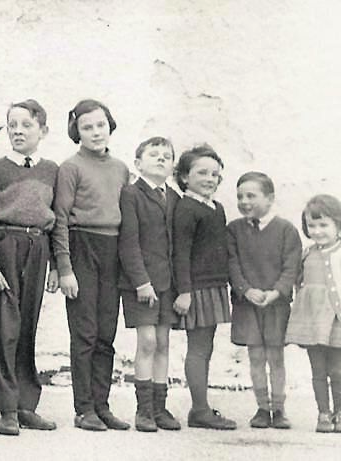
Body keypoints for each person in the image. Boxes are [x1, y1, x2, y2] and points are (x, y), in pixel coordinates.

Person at [0, 100, 59, 436]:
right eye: (12, 125)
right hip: (4, 247)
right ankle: (7, 409)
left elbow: (58, 222)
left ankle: (26, 405)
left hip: (37, 248)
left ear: (43, 130)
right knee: (4, 330)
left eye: (26, 125)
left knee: (28, 328)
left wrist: (55, 265)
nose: (18, 131)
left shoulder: (53, 169)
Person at [54, 99, 130, 431]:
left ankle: (102, 404)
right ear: (77, 131)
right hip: (82, 245)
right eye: (87, 127)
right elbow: (59, 219)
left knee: (106, 333)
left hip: (112, 248)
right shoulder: (70, 167)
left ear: (109, 126)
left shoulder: (121, 168)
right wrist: (65, 267)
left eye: (100, 125)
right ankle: (83, 408)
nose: (95, 132)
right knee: (84, 332)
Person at [118, 137, 182, 432]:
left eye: (166, 156)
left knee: (164, 342)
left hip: (167, 284)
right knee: (147, 342)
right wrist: (141, 282)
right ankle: (143, 410)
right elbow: (129, 243)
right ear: (138, 163)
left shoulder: (175, 197)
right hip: (141, 283)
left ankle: (160, 408)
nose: (160, 159)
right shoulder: (131, 194)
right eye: (153, 154)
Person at [228, 172, 301, 430]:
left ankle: (279, 408)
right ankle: (261, 408)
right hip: (248, 305)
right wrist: (245, 290)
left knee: (276, 357)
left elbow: (291, 267)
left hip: (276, 305)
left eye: (251, 195)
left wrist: (277, 292)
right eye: (240, 196)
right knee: (256, 356)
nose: (244, 201)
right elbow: (232, 264)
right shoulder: (234, 230)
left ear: (270, 198)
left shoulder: (286, 230)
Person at [171, 145, 236, 430]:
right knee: (198, 349)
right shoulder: (186, 208)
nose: (210, 178)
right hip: (196, 289)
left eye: (215, 174)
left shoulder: (216, 208)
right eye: (202, 173)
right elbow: (181, 252)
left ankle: (202, 407)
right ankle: (199, 410)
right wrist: (184, 291)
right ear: (184, 177)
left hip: (214, 285)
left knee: (206, 347)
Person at [285, 194, 341, 433]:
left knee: (337, 369)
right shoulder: (307, 254)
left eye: (323, 225)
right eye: (311, 226)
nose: (317, 231)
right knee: (317, 370)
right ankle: (323, 413)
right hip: (312, 321)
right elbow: (299, 282)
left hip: (337, 321)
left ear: (339, 224)